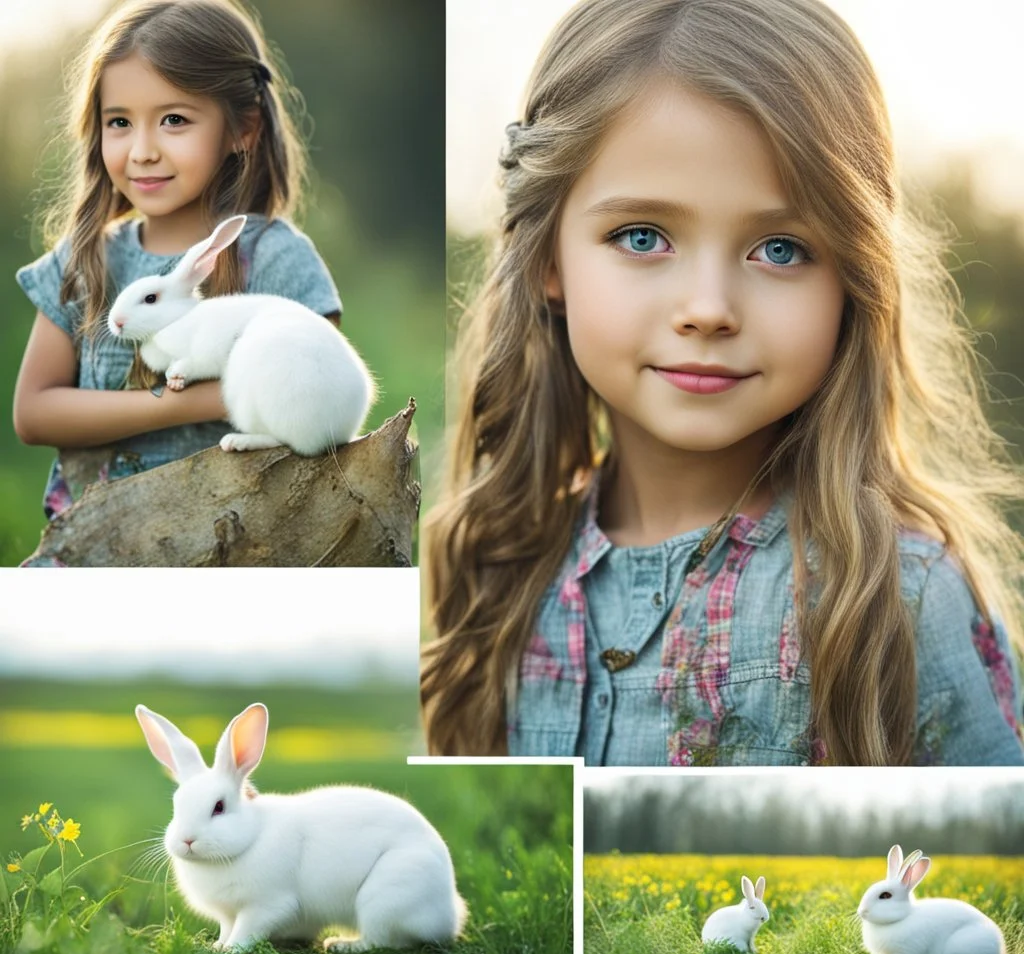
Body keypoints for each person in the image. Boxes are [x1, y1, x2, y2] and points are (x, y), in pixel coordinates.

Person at [423, 0, 1024, 766]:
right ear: (548, 260)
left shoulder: (898, 600)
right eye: (642, 237)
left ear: (854, 278)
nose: (708, 309)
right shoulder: (498, 564)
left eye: (779, 248)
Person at [13, 0, 341, 522]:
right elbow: (33, 413)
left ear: (243, 129)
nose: (142, 150)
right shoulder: (86, 259)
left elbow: (320, 391)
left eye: (173, 120)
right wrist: (187, 401)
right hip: (96, 543)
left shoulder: (276, 258)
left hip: (234, 542)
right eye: (119, 121)